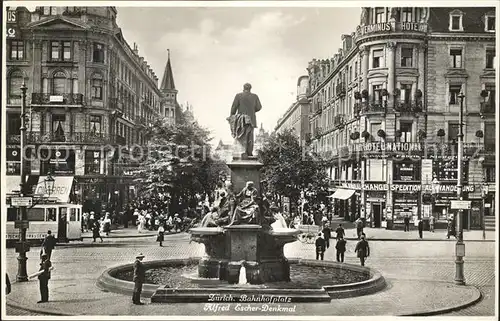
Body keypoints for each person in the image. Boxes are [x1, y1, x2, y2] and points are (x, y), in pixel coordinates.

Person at [228, 83, 263, 157]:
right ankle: (249, 152)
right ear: (250, 88)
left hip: (241, 119)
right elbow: (259, 107)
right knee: (250, 135)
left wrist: (232, 116)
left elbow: (234, 107)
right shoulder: (255, 96)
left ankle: (242, 151)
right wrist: (252, 110)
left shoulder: (238, 95)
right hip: (251, 119)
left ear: (243, 88)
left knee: (241, 134)